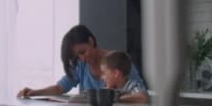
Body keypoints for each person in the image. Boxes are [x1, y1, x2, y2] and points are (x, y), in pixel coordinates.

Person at [17, 25, 146, 97]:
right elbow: (59, 88)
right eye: (77, 56)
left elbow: (141, 93)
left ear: (91, 41)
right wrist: (34, 92)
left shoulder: (117, 60)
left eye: (83, 52)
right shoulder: (81, 66)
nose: (82, 59)